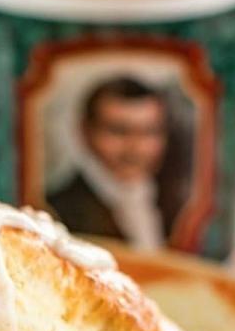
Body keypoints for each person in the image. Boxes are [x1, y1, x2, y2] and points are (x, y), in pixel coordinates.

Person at [47, 76, 187, 249]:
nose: (136, 148)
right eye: (119, 131)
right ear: (85, 131)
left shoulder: (174, 200)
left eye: (149, 132)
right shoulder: (59, 209)